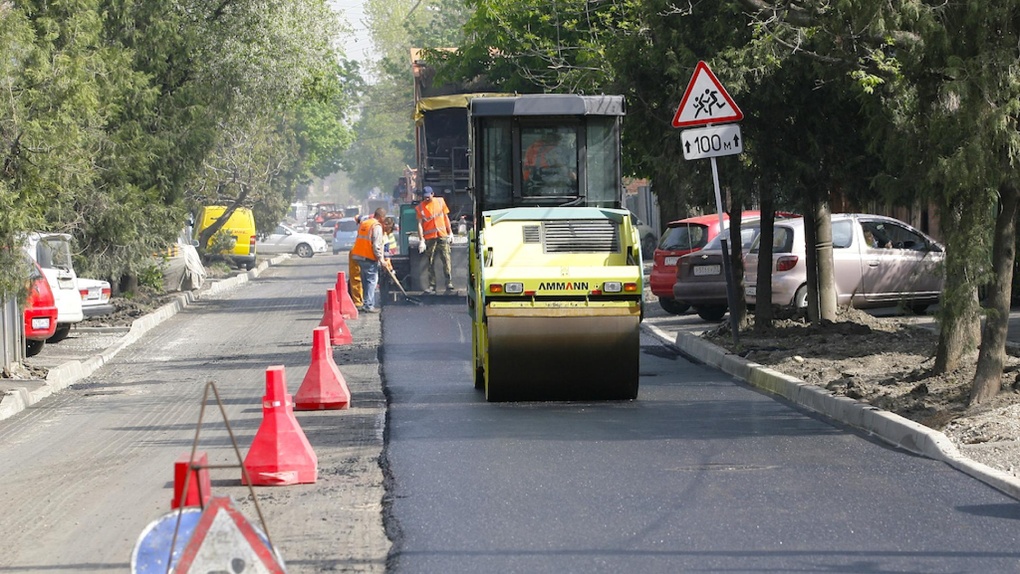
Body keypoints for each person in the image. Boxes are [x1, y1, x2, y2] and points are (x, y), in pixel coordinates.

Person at [350, 208, 392, 313]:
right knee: (372, 281)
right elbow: (377, 246)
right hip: (368, 256)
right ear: (381, 217)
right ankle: (368, 305)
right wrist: (381, 260)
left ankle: (365, 303)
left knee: (365, 281)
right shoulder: (376, 226)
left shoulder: (365, 222)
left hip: (357, 255)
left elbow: (357, 219)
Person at [415, 186, 454, 294]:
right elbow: (419, 224)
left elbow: (446, 217)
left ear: (433, 194)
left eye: (429, 196)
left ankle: (449, 283)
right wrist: (421, 240)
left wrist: (450, 232)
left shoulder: (440, 202)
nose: (427, 198)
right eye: (425, 197)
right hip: (430, 238)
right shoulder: (420, 208)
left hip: (442, 235)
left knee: (446, 259)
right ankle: (432, 285)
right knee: (430, 261)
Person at [347, 214, 364, 308]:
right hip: (359, 252)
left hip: (360, 252)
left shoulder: (367, 225)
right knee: (357, 277)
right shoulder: (371, 226)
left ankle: (360, 300)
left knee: (360, 277)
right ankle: (358, 301)